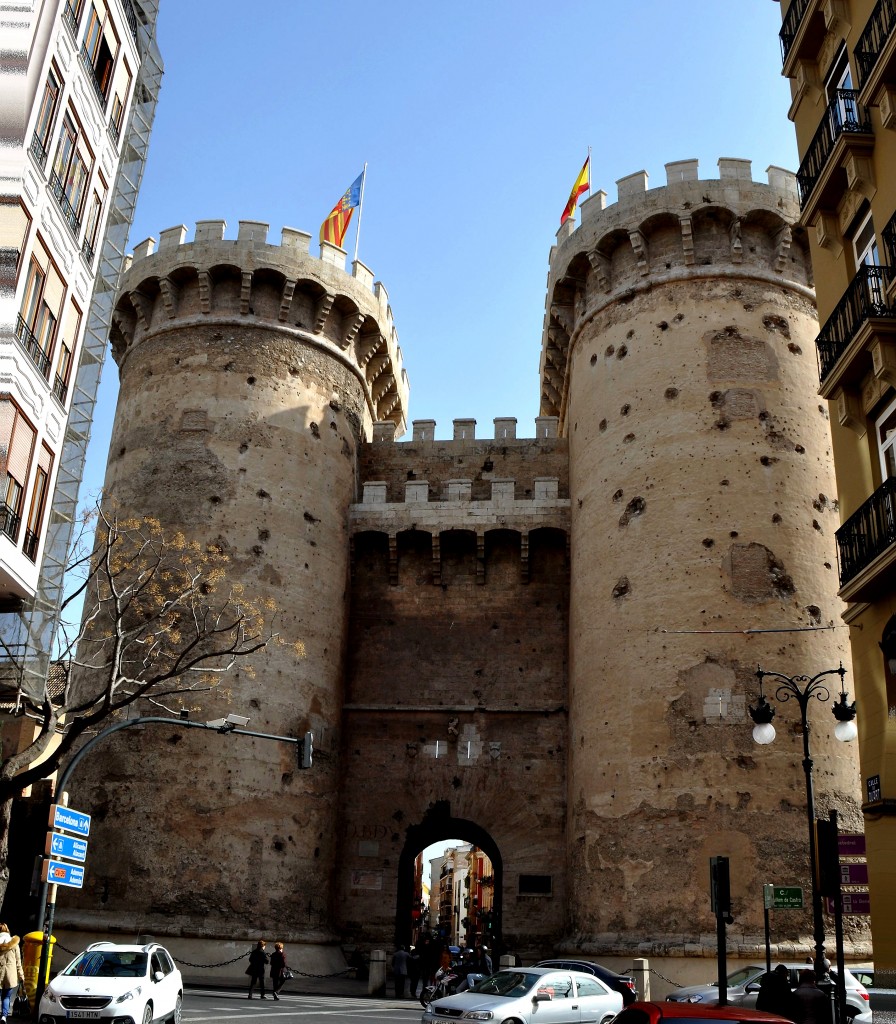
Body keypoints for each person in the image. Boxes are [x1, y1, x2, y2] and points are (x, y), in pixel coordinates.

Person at [0, 926, 23, 1024]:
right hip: (10, 975)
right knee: (6, 997)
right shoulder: (15, 944)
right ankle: (4, 1017)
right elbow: (18, 962)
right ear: (8, 931)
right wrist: (21, 976)